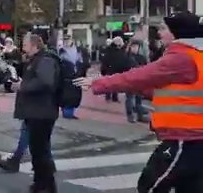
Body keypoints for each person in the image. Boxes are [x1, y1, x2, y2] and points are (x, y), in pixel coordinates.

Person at [74, 11, 203, 192]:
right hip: (192, 138)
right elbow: (162, 90)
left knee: (150, 185)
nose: (159, 33)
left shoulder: (181, 58)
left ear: (176, 33)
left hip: (184, 138)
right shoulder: (195, 55)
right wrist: (133, 88)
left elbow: (140, 76)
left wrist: (99, 83)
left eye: (163, 28)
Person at [16, 33, 60, 192]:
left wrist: (23, 87)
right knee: (37, 150)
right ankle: (40, 183)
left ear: (34, 45)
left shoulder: (45, 60)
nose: (23, 47)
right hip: (36, 111)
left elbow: (45, 82)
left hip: (42, 112)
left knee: (41, 151)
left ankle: (47, 185)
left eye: (25, 44)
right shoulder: (35, 60)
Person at [59, 36, 83, 119]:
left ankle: (70, 112)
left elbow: (82, 62)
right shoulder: (61, 51)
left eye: (67, 40)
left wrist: (81, 72)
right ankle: (67, 113)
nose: (66, 42)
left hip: (76, 77)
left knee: (75, 96)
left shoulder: (78, 50)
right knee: (66, 96)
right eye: (65, 40)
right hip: (66, 78)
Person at [100, 36, 129, 103]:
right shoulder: (110, 50)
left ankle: (114, 97)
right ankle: (108, 97)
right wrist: (104, 70)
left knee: (116, 84)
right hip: (110, 69)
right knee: (109, 84)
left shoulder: (120, 50)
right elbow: (105, 61)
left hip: (116, 70)